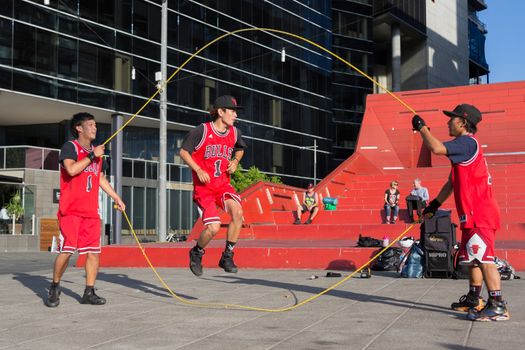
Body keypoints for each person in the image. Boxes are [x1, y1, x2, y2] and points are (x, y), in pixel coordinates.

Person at [412, 104, 509, 321]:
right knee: (474, 259)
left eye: (452, 119)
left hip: (479, 213)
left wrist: (422, 128)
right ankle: (474, 299)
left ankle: (498, 305)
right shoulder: (465, 148)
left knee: (485, 259)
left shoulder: (466, 142)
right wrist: (434, 206)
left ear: (463, 123)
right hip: (471, 213)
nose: (448, 122)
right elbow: (452, 183)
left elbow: (435, 148)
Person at [45, 112, 125, 308]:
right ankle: (55, 286)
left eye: (95, 125)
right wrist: (92, 155)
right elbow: (71, 169)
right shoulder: (70, 147)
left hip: (90, 212)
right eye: (90, 124)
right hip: (71, 211)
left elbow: (100, 179)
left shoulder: (97, 153)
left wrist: (116, 197)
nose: (95, 128)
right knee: (67, 250)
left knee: (93, 253)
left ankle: (89, 291)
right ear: (79, 128)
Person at [179, 95, 247, 276]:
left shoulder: (234, 133)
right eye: (232, 111)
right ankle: (197, 252)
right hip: (205, 189)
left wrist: (235, 161)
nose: (235, 115)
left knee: (238, 213)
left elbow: (240, 149)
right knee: (213, 228)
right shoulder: (201, 131)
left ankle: (227, 255)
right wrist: (198, 169)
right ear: (220, 112)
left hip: (223, 186)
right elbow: (184, 152)